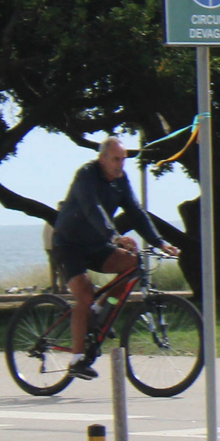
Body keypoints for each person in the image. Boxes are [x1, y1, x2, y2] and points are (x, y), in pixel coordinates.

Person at [51, 137, 170, 378]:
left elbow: (136, 211)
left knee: (131, 264)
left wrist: (160, 241)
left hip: (96, 244)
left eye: (123, 160)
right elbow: (91, 208)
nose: (120, 165)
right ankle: (76, 360)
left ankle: (102, 309)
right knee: (83, 295)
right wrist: (115, 237)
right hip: (69, 245)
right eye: (116, 159)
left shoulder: (120, 180)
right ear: (102, 158)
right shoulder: (86, 175)